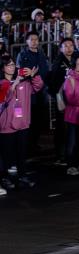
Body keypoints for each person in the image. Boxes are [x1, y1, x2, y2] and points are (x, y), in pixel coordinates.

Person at [0, 56, 43, 188]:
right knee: (6, 154)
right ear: (3, 68)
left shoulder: (24, 82)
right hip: (7, 125)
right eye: (8, 65)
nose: (12, 67)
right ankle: (4, 178)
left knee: (22, 152)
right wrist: (15, 82)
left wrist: (34, 75)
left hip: (23, 123)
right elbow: (5, 98)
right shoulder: (2, 83)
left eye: (13, 64)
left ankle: (22, 176)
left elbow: (38, 86)